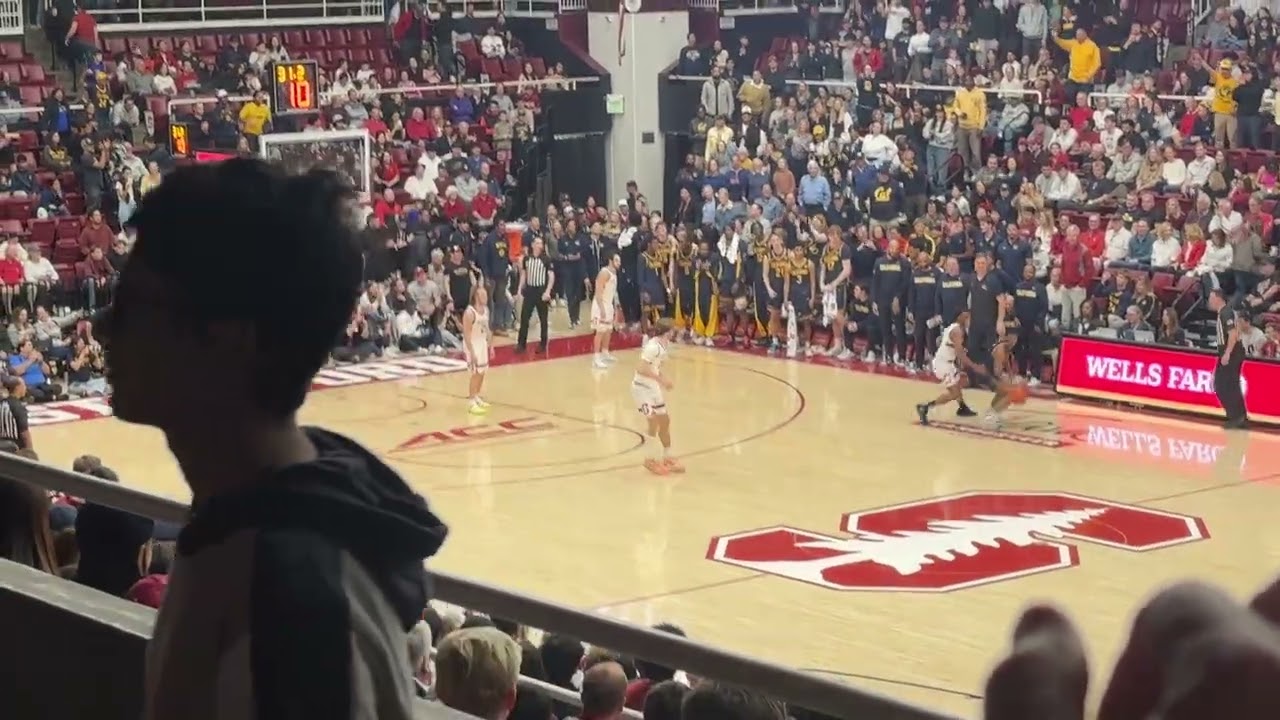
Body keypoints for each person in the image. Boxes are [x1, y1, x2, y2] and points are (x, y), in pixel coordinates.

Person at [98, 159, 449, 719]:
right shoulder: (246, 517)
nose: (102, 326)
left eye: (134, 304)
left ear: (230, 340)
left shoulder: (292, 609)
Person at [631, 320, 682, 475]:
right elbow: (640, 368)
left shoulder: (663, 345)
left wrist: (663, 379)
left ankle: (667, 455)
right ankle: (649, 459)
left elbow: (654, 368)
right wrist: (661, 380)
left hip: (653, 387)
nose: (675, 333)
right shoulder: (653, 347)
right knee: (653, 422)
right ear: (668, 332)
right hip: (641, 389)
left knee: (665, 421)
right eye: (673, 330)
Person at [916, 310, 983, 424]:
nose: (969, 320)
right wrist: (974, 366)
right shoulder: (957, 331)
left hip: (947, 362)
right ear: (960, 318)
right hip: (943, 364)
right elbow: (960, 354)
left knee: (960, 383)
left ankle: (962, 407)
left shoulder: (954, 327)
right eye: (967, 317)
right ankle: (926, 407)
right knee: (954, 393)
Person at [1208, 289, 1248, 430]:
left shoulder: (1226, 312)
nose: (1209, 301)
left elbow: (1232, 335)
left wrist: (1227, 353)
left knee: (1225, 385)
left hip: (1232, 353)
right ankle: (1238, 416)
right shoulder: (1224, 312)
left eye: (1211, 298)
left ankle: (1237, 417)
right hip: (1229, 353)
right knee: (1226, 385)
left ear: (1219, 298)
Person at [515, 236, 553, 354]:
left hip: (541, 291)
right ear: (532, 245)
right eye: (536, 243)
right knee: (524, 318)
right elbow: (523, 275)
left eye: (540, 243)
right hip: (530, 291)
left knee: (543, 319)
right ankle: (521, 344)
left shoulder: (546, 259)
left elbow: (551, 276)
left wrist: (547, 291)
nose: (538, 245)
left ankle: (543, 343)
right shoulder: (527, 259)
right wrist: (519, 290)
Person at [462, 283, 493, 415]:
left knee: (482, 372)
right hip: (472, 343)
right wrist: (471, 352)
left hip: (482, 343)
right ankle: (471, 401)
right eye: (482, 294)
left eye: (486, 294)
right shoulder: (470, 313)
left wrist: (491, 346)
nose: (485, 297)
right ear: (476, 296)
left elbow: (487, 329)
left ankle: (476, 396)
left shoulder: (486, 310)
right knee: (475, 373)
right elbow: (466, 334)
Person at [591, 250, 621, 368]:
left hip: (609, 304)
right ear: (610, 261)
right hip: (600, 305)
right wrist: (602, 309)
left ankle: (605, 352)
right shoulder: (604, 273)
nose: (619, 263)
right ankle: (596, 358)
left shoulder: (614, 274)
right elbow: (598, 292)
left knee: (608, 330)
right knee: (600, 331)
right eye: (616, 261)